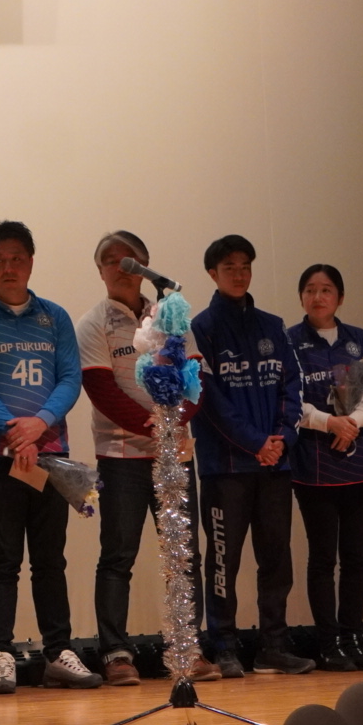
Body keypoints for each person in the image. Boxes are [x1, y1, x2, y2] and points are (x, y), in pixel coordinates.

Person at [0, 221, 100, 694]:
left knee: (50, 560)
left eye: (17, 258)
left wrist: (40, 424)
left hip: (52, 458)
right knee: (3, 560)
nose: (8, 267)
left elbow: (70, 379)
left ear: (31, 262)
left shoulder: (54, 317)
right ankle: (0, 654)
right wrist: (18, 433)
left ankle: (58, 652)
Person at [75, 231, 220, 686]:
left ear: (145, 265)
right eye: (111, 261)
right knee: (118, 555)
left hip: (175, 454)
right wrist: (156, 424)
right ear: (100, 270)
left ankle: (187, 649)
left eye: (131, 260)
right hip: (121, 456)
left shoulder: (170, 314)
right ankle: (116, 653)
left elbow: (196, 377)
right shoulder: (93, 323)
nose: (121, 267)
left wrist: (175, 423)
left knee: (184, 555)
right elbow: (102, 391)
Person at [190, 235, 313, 677]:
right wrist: (255, 442)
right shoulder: (201, 328)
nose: (239, 274)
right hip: (225, 468)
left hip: (275, 463)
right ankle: (224, 646)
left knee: (276, 558)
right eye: (229, 267)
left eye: (245, 266)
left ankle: (273, 646)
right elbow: (208, 399)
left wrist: (280, 439)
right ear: (213, 273)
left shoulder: (273, 326)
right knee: (223, 559)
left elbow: (291, 387)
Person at [286, 264, 363, 672]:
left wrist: (353, 423)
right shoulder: (290, 341)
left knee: (356, 557)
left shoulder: (358, 339)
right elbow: (288, 398)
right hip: (313, 462)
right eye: (310, 289)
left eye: (326, 289)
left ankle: (352, 638)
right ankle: (328, 642)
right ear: (301, 297)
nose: (318, 297)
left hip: (359, 459)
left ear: (340, 298)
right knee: (322, 558)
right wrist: (329, 422)